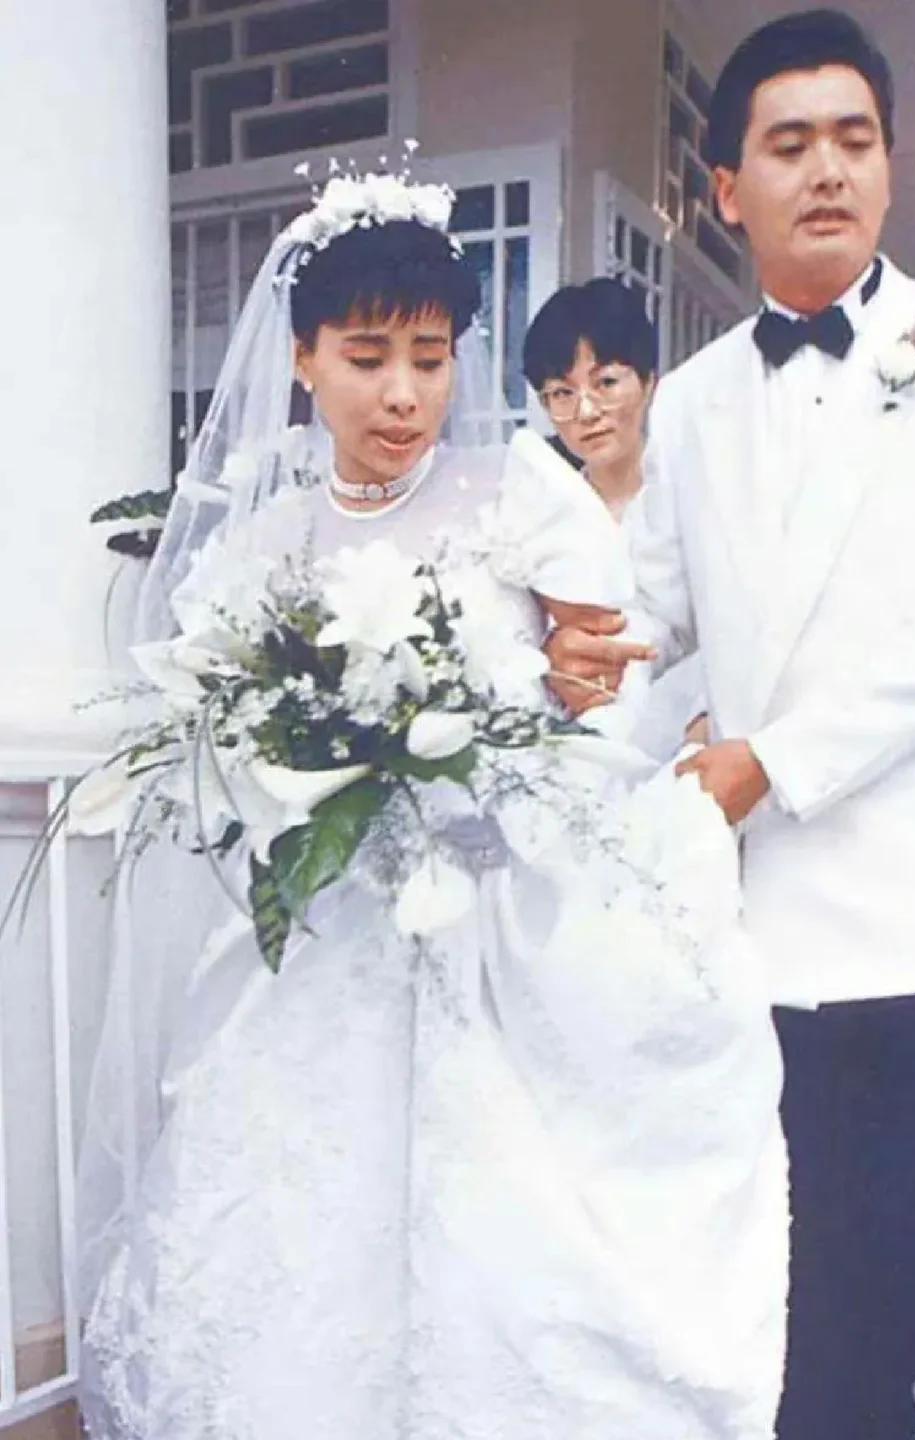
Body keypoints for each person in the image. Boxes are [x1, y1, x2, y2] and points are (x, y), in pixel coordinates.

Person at [75, 173, 788, 1439]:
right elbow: (224, 753)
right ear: (304, 358)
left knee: (490, 1228)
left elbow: (604, 678)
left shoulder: (519, 490)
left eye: (430, 357)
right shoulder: (261, 543)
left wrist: (557, 690)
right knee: (302, 1226)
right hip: (320, 942)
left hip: (484, 923)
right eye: (366, 359)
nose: (404, 394)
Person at [546, 10, 915, 1440]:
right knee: (776, 1296)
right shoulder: (693, 401)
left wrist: (768, 762)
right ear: (727, 188)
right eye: (789, 144)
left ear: (890, 165)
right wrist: (550, 681)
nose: (827, 169)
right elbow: (655, 617)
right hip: (760, 931)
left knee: (899, 1303)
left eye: (854, 139)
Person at [524, 277, 707, 759]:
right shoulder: (538, 511)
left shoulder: (694, 498)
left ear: (648, 382)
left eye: (605, 383)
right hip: (563, 745)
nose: (587, 411)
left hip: (684, 738)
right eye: (561, 393)